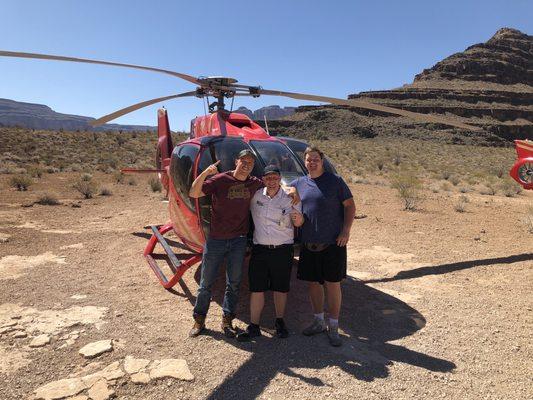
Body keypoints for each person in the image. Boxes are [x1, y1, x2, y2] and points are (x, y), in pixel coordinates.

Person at [188, 149, 299, 338]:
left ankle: (227, 320)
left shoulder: (254, 182)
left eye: (250, 163)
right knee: (206, 282)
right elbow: (194, 192)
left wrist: (292, 189)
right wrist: (206, 172)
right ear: (236, 161)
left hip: (239, 240)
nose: (246, 165)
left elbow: (274, 185)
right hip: (216, 239)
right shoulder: (220, 179)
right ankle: (199, 320)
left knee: (234, 283)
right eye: (243, 161)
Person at [290, 146, 355, 347]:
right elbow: (279, 189)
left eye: (315, 159)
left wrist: (346, 231)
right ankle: (318, 321)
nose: (312, 163)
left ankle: (333, 325)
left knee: (333, 285)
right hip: (309, 243)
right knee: (313, 284)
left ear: (322, 160)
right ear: (304, 161)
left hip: (333, 243)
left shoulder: (335, 182)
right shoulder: (299, 183)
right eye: (309, 160)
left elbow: (350, 206)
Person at [237, 165, 304, 341]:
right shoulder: (256, 196)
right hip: (260, 250)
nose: (272, 181)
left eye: (275, 178)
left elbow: (299, 222)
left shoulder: (291, 197)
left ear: (280, 178)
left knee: (280, 288)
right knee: (256, 289)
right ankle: (254, 325)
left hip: (282, 250)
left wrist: (299, 219)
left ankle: (279, 321)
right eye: (268, 178)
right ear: (263, 180)